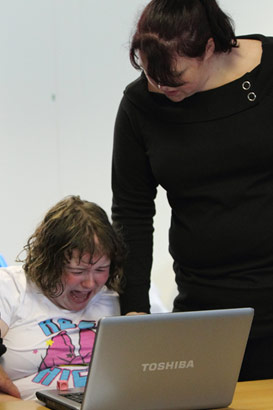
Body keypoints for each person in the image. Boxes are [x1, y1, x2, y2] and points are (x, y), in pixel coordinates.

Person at [111, 0, 273, 381]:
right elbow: (132, 212)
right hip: (207, 309)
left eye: (175, 78)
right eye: (152, 77)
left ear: (211, 48)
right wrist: (134, 309)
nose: (162, 88)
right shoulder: (139, 106)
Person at [0, 195, 124, 400]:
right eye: (78, 270)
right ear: (49, 263)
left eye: (101, 269)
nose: (90, 283)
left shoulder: (114, 299)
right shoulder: (12, 286)